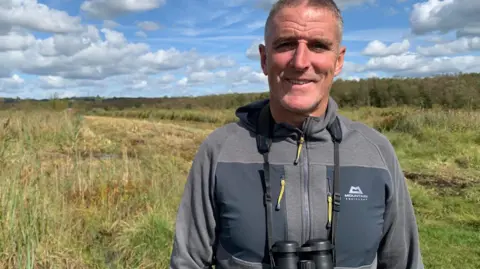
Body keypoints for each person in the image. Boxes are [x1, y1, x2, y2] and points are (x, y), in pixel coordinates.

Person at [169, 0, 424, 268]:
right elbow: (187, 262)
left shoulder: (376, 152)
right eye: (286, 44)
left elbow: (404, 262)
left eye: (318, 45)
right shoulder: (219, 150)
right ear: (264, 59)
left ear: (338, 61)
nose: (301, 62)